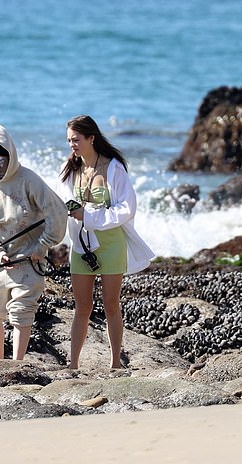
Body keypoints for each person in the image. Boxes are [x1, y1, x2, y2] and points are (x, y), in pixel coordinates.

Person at [59, 115, 155, 369]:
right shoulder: (70, 168)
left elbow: (127, 208)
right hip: (81, 245)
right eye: (69, 140)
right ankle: (73, 364)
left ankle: (115, 363)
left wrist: (87, 214)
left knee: (111, 304)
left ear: (92, 138)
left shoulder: (114, 168)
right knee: (82, 306)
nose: (72, 145)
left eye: (76, 140)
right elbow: (62, 200)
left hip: (111, 243)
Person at [0, 123, 67, 360]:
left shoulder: (28, 180)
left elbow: (58, 212)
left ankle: (17, 364)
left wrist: (41, 246)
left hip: (28, 257)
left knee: (22, 310)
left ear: (9, 155)